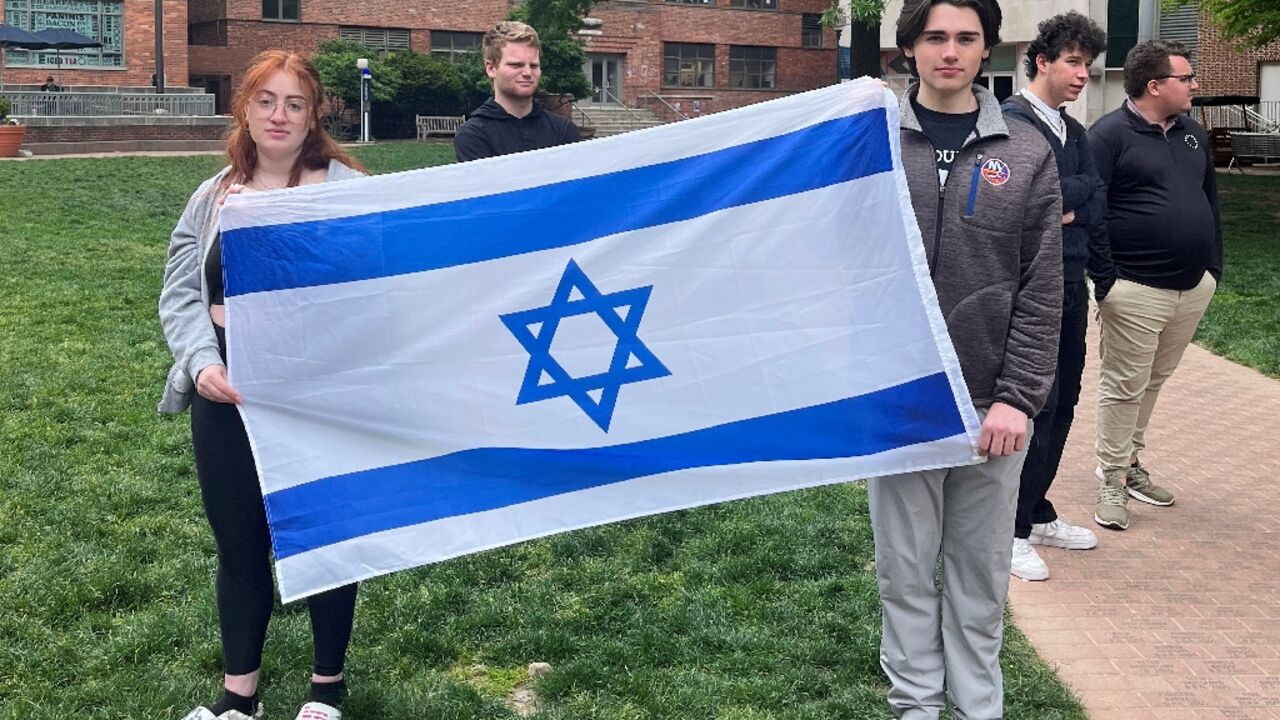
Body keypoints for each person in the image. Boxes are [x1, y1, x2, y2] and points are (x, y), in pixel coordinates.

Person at [159, 50, 369, 720]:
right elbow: (180, 294)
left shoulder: (343, 188)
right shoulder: (213, 193)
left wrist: (274, 230)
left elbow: (366, 287)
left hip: (317, 385)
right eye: (266, 101)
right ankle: (236, 697)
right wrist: (200, 363)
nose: (279, 116)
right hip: (228, 384)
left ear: (314, 118)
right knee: (240, 538)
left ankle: (326, 688)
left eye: (295, 103)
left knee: (324, 528)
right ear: (244, 110)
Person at [867, 0, 1062, 717]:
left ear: (988, 51)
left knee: (979, 582)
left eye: (966, 38)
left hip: (993, 409)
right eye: (935, 37)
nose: (950, 51)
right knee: (906, 575)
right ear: (910, 48)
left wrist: (1018, 396)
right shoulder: (872, 142)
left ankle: (978, 709)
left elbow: (1044, 288)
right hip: (902, 406)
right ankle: (916, 705)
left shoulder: (1027, 150)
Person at [1087, 40, 1220, 531]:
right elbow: (1091, 215)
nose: (1194, 85)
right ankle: (1111, 478)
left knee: (1153, 382)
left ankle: (1130, 461)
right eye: (1186, 78)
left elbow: (1209, 202)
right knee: (1124, 386)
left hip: (1192, 287)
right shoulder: (1107, 137)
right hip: (1134, 289)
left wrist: (1213, 268)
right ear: (1155, 85)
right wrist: (1106, 283)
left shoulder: (1193, 134)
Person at [999, 11, 1109, 581]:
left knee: (1064, 402)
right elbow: (1027, 203)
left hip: (1073, 284)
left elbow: (1092, 197)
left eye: (1087, 66)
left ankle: (1037, 510)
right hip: (1031, 289)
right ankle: (1009, 529)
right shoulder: (1014, 124)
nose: (1081, 75)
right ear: (1042, 61)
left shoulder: (1076, 132)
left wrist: (1071, 202)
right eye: (1073, 62)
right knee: (1032, 407)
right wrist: (1066, 202)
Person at [454, 20, 580, 162]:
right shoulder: (473, 136)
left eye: (533, 65)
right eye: (516, 65)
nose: (527, 72)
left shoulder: (564, 131)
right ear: (491, 68)